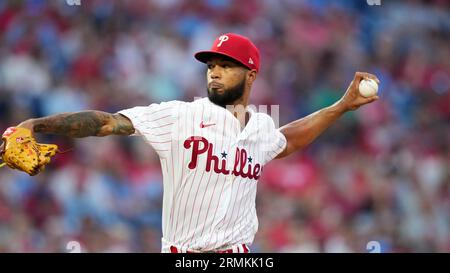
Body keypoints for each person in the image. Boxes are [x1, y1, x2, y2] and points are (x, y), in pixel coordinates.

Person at [1, 33, 379, 253]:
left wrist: (342, 106)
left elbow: (288, 141)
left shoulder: (262, 126)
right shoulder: (179, 115)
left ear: (250, 74)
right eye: (211, 64)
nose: (214, 70)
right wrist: (38, 123)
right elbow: (106, 123)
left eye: (225, 64)